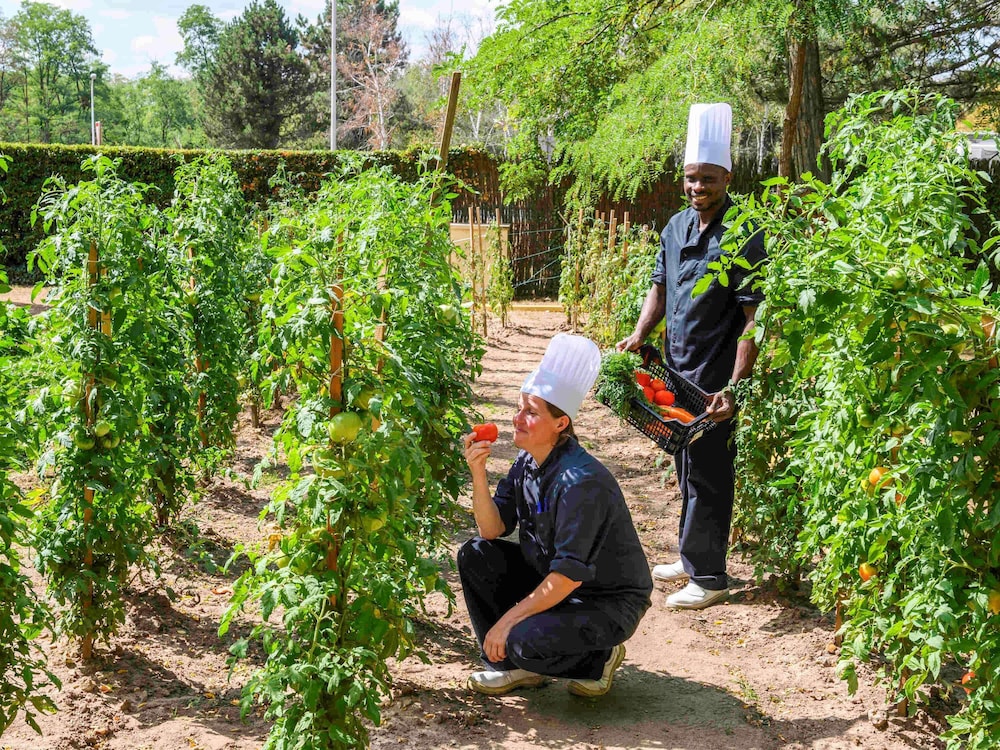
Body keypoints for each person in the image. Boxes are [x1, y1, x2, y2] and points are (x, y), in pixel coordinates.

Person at [617, 102, 765, 610]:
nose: (697, 187)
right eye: (690, 178)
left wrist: (735, 385)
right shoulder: (676, 227)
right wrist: (640, 333)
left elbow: (753, 317)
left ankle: (709, 577)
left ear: (727, 176)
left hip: (714, 376)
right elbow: (659, 288)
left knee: (709, 472)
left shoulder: (744, 231)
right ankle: (691, 555)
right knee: (685, 463)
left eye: (707, 179)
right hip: (675, 367)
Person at [458, 333, 653, 697]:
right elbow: (491, 529)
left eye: (530, 412)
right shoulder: (527, 463)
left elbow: (566, 577)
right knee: (475, 554)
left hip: (604, 601)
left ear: (560, 424)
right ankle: (512, 668)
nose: (517, 419)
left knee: (521, 640)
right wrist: (479, 474)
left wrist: (505, 622)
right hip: (555, 580)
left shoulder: (581, 483)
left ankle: (600, 659)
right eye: (520, 408)